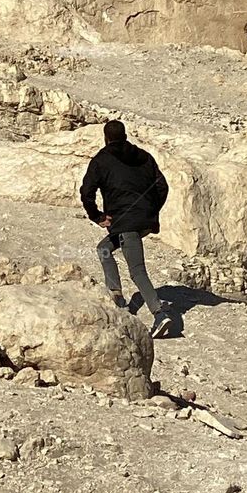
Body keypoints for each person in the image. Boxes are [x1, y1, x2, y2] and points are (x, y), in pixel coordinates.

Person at [80, 119, 172, 338]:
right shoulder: (144, 157)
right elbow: (162, 186)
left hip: (124, 220)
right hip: (140, 220)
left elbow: (86, 192)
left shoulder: (101, 160)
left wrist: (97, 216)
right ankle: (117, 295)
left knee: (137, 270)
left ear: (106, 137)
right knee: (104, 248)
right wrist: (150, 210)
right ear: (125, 135)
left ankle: (159, 314)